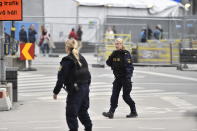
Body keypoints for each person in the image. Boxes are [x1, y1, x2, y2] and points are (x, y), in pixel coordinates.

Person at [53, 39, 92, 131]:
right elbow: (88, 75)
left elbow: (61, 79)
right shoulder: (82, 58)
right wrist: (86, 86)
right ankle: (88, 127)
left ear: (67, 48)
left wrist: (55, 92)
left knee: (71, 113)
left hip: (75, 91)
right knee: (82, 111)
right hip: (85, 89)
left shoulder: (67, 60)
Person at [102, 38, 138, 119]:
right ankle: (111, 112)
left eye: (118, 43)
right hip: (117, 78)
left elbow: (129, 68)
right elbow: (108, 63)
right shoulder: (114, 53)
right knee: (114, 95)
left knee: (126, 97)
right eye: (116, 43)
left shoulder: (126, 54)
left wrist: (128, 78)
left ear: (122, 44)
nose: (117, 45)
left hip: (125, 78)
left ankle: (134, 111)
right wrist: (111, 56)